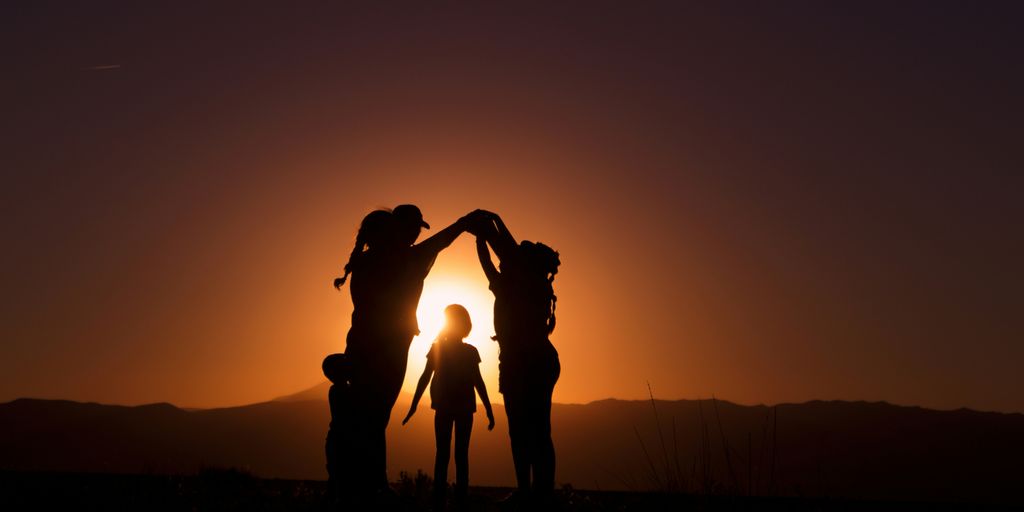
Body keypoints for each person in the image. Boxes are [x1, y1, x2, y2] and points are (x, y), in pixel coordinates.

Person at [328, 205, 485, 504]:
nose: (415, 235)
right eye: (411, 228)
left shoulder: (366, 261)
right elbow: (439, 242)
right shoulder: (404, 260)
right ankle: (370, 486)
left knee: (363, 414)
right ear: (394, 230)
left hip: (360, 343)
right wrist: (463, 223)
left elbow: (434, 244)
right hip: (388, 351)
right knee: (374, 416)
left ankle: (357, 483)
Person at [475, 212, 561, 506]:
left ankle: (532, 492)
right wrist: (490, 226)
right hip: (531, 361)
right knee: (536, 429)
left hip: (524, 363)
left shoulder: (519, 285)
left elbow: (497, 256)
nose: (505, 261)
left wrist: (484, 230)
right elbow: (500, 254)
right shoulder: (531, 284)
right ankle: (537, 492)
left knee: (524, 430)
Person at [402, 304, 495, 510]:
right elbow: (477, 382)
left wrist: (414, 405)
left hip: (448, 407)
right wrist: (413, 405)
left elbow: (476, 381)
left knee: (444, 453)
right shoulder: (465, 351)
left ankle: (442, 499)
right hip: (458, 407)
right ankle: (454, 499)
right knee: (459, 454)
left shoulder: (443, 349)